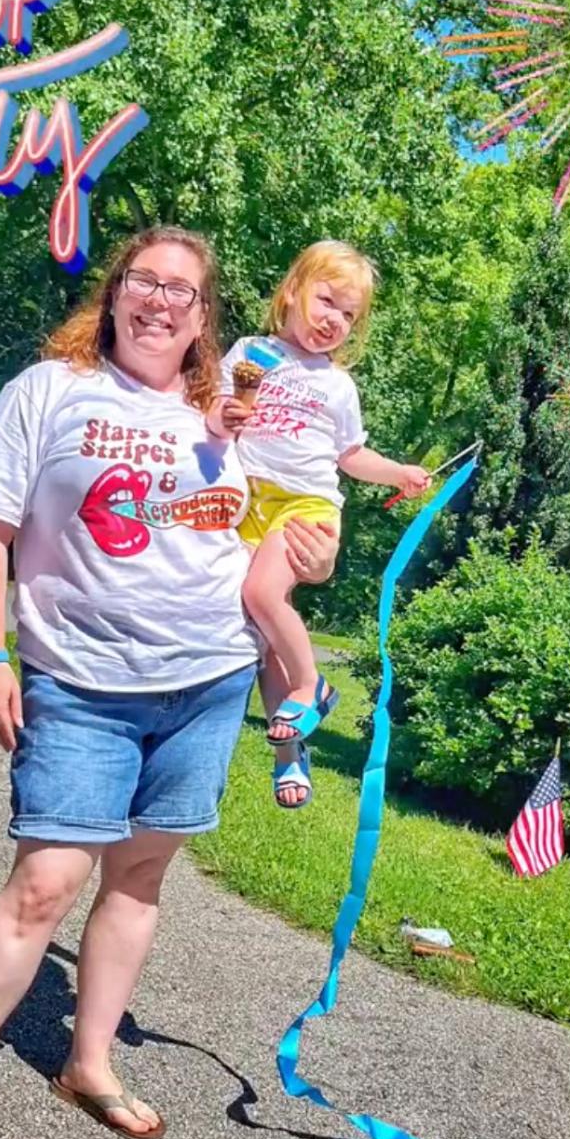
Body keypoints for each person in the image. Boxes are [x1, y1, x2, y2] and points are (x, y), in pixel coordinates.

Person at [0, 226, 339, 1139]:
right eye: (144, 281)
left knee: (139, 879)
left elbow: (291, 530)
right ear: (113, 296)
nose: (160, 301)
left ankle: (87, 1060)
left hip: (209, 676)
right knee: (46, 882)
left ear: (203, 319)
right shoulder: (48, 391)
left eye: (182, 291)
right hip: (81, 682)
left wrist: (316, 556)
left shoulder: (231, 415)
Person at [208, 241, 430, 810]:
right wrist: (225, 415)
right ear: (292, 293)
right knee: (257, 637)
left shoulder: (337, 385)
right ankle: (289, 752)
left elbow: (350, 456)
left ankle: (311, 686)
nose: (334, 319)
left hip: (305, 506)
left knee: (261, 594)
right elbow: (213, 409)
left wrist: (398, 472)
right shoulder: (249, 352)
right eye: (326, 300)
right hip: (246, 499)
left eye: (348, 314)